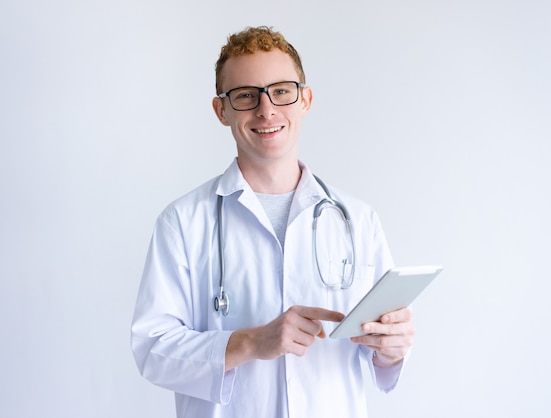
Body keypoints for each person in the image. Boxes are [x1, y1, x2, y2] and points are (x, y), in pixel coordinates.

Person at [131, 26, 414, 418]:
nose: (267, 110)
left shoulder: (358, 220)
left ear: (305, 100)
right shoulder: (182, 222)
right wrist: (250, 342)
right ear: (222, 110)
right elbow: (152, 350)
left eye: (281, 91)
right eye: (246, 96)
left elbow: (381, 356)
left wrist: (392, 350)